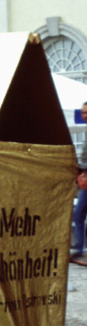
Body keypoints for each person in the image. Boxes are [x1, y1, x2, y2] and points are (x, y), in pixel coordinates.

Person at [71, 102, 87, 266]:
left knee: (79, 214)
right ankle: (80, 250)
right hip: (85, 183)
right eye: (83, 113)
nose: (85, 115)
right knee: (78, 214)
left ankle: (80, 250)